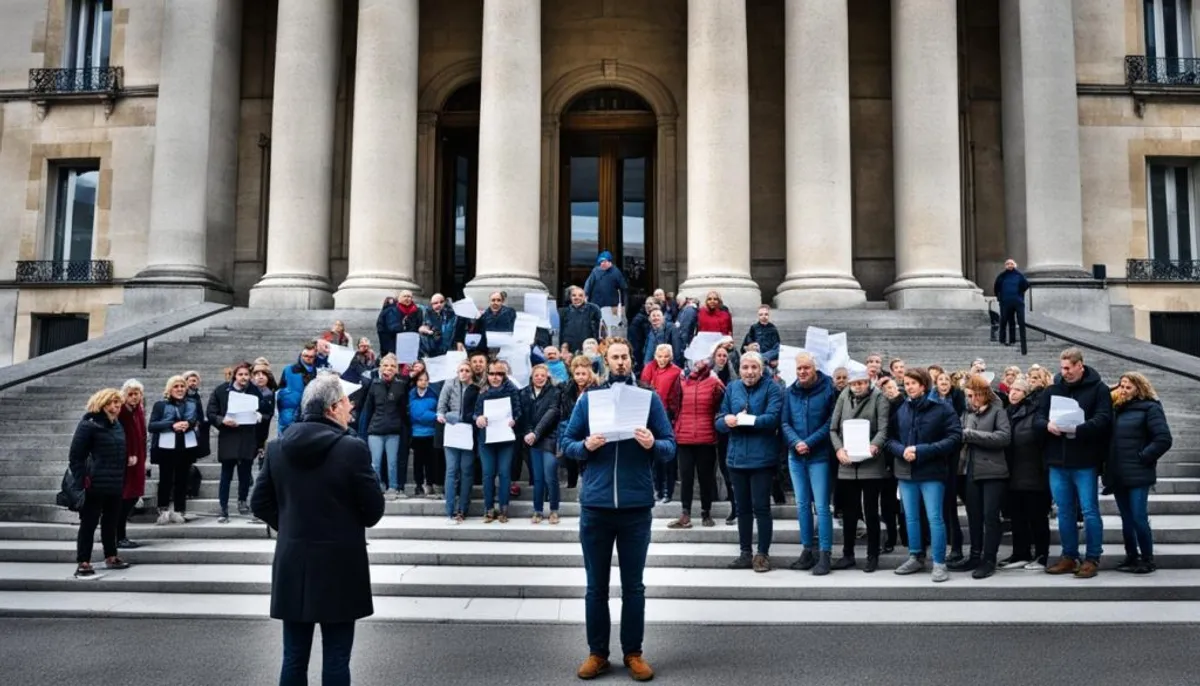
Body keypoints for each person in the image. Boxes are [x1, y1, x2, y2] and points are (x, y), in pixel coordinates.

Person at [251, 372, 385, 686]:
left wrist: (290, 526)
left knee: (293, 657)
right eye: (346, 402)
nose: (351, 407)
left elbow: (259, 503)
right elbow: (374, 510)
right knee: (337, 657)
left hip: (293, 560)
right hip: (340, 563)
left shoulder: (277, 447)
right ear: (332, 408)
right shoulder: (352, 449)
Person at [562, 338, 674, 682]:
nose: (621, 362)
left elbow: (670, 447)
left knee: (634, 587)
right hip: (596, 506)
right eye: (615, 357)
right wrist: (586, 445)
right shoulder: (590, 399)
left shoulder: (649, 398)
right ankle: (597, 653)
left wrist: (653, 443)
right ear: (605, 361)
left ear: (632, 359)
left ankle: (633, 653)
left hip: (635, 506)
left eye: (626, 356)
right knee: (595, 586)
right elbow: (567, 444)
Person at [1034, 347, 1113, 579]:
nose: (1065, 372)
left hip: (1085, 460)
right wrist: (1047, 425)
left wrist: (1078, 429)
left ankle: (1092, 558)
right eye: (1062, 368)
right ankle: (1069, 556)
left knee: (1089, 510)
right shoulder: (1052, 390)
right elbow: (1038, 418)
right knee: (1064, 511)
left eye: (1069, 368)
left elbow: (1103, 419)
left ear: (1081, 365)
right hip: (1057, 460)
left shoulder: (1098, 389)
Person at [887, 367, 962, 583]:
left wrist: (921, 450)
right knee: (910, 517)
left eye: (913, 383)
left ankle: (939, 562)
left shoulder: (941, 409)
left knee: (935, 518)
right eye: (907, 383)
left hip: (932, 472)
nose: (909, 387)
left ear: (923, 385)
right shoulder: (901, 409)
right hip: (905, 471)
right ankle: (915, 556)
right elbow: (889, 438)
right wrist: (902, 450)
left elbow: (954, 437)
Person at [716, 351, 783, 573]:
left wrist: (745, 420)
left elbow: (772, 418)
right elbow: (719, 419)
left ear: (761, 369)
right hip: (736, 459)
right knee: (742, 509)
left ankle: (762, 554)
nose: (750, 372)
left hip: (761, 459)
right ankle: (745, 552)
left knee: (761, 508)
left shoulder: (772, 388)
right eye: (745, 367)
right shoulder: (733, 388)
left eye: (754, 367)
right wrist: (726, 420)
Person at [1107, 372, 1173, 575]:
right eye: (1122, 386)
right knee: (1126, 518)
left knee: (1138, 516)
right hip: (1118, 472)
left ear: (1139, 388)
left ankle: (1147, 558)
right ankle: (1131, 556)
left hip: (1138, 472)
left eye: (1128, 387)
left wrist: (1143, 457)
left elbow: (1163, 438)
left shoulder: (1151, 408)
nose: (1124, 390)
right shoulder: (1116, 409)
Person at [781, 351, 838, 575]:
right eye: (799, 369)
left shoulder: (828, 389)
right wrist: (796, 443)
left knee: (822, 507)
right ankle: (807, 551)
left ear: (815, 369)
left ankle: (825, 554)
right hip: (796, 456)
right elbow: (784, 422)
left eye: (807, 368)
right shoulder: (789, 392)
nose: (803, 372)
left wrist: (809, 442)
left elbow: (830, 421)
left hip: (819, 456)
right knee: (802, 505)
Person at [829, 364, 890, 573]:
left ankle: (873, 555)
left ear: (868, 382)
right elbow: (833, 428)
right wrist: (838, 450)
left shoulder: (879, 397)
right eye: (854, 383)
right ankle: (848, 554)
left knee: (871, 511)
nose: (858, 386)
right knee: (849, 511)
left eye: (862, 382)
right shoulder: (843, 396)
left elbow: (884, 428)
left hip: (871, 462)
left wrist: (875, 445)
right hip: (847, 462)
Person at [952, 375, 1012, 579]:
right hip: (971, 471)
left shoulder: (998, 410)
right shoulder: (967, 413)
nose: (969, 399)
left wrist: (970, 435)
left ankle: (989, 559)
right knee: (974, 516)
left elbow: (1004, 438)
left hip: (994, 472)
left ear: (981, 393)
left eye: (971, 395)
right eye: (967, 396)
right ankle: (975, 556)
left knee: (990, 517)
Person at [70, 388, 132, 577]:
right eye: (113, 402)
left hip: (114, 482)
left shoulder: (117, 425)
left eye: (119, 403)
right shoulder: (89, 424)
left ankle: (111, 555)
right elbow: (76, 456)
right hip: (94, 483)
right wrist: (82, 479)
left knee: (111, 522)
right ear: (103, 403)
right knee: (89, 523)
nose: (117, 406)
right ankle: (83, 561)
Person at [669, 359, 725, 529]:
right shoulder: (681, 380)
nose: (697, 365)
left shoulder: (714, 382)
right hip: (684, 437)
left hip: (705, 437)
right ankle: (685, 514)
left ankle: (706, 513)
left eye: (701, 361)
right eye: (695, 362)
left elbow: (723, 400)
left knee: (705, 478)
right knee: (686, 477)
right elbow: (673, 403)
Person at [207, 362, 264, 523]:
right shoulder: (221, 390)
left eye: (246, 374)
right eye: (240, 375)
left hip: (247, 436)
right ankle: (223, 507)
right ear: (234, 376)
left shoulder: (254, 391)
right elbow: (211, 412)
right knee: (226, 474)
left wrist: (259, 415)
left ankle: (242, 500)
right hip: (229, 436)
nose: (244, 378)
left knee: (245, 473)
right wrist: (222, 420)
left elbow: (263, 410)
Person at [1004, 379, 1050, 570]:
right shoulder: (1007, 412)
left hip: (1034, 472)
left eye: (1018, 390)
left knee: (1037, 516)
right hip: (1013, 472)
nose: (1012, 393)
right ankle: (1020, 553)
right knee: (1017, 517)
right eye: (1011, 389)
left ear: (1027, 393)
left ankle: (1041, 555)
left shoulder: (1036, 412)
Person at [473, 359, 522, 523]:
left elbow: (518, 412)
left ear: (505, 375)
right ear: (487, 374)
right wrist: (478, 418)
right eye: (492, 373)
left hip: (505, 438)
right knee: (487, 473)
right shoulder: (483, 391)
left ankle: (503, 509)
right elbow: (475, 413)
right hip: (486, 438)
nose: (495, 377)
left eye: (499, 374)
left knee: (504, 473)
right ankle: (488, 508)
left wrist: (514, 419)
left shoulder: (512, 391)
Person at [149, 375, 199, 525]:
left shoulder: (192, 403)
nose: (179, 389)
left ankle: (179, 509)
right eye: (176, 386)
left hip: (185, 445)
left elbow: (196, 420)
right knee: (166, 479)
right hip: (166, 446)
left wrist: (188, 424)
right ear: (169, 389)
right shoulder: (160, 405)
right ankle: (163, 509)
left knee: (183, 479)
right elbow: (152, 426)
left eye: (182, 386)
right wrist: (172, 425)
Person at [359, 354, 409, 499]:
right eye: (386, 365)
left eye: (393, 366)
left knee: (392, 462)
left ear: (397, 369)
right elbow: (368, 409)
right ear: (380, 367)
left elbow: (403, 409)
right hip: (375, 430)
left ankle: (393, 487)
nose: (389, 368)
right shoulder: (374, 384)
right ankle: (377, 487)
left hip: (394, 430)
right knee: (375, 463)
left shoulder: (400, 385)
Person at [438, 361, 480, 522]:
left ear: (471, 373)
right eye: (461, 370)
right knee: (451, 470)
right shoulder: (450, 384)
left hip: (468, 430)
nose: (463, 373)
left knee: (466, 471)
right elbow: (441, 404)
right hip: (452, 429)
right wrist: (442, 415)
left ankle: (463, 508)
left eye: (466, 370)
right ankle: (449, 508)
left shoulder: (475, 389)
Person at [521, 364, 562, 524]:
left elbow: (552, 413)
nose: (539, 378)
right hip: (532, 439)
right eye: (536, 375)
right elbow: (523, 416)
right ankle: (537, 510)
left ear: (547, 377)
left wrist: (536, 433)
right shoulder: (524, 393)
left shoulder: (554, 392)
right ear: (532, 376)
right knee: (537, 477)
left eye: (542, 375)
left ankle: (554, 510)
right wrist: (528, 432)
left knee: (550, 475)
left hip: (549, 438)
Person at [558, 355, 597, 490]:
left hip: (590, 428)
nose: (580, 377)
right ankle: (571, 484)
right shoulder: (567, 389)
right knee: (570, 456)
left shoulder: (596, 388)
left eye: (583, 374)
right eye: (577, 374)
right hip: (572, 426)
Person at [116, 379, 147, 549]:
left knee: (133, 496)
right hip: (127, 460)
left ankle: (120, 534)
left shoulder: (138, 410)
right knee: (125, 497)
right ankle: (118, 535)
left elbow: (142, 435)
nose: (134, 397)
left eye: (137, 394)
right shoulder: (122, 411)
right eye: (131, 394)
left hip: (138, 460)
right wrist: (128, 454)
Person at [409, 370, 440, 500]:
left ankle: (430, 483)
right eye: (421, 380)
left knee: (430, 461)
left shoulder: (433, 393)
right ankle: (418, 484)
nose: (423, 382)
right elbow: (416, 413)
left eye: (426, 380)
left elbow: (438, 410)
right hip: (416, 434)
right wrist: (432, 416)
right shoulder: (411, 394)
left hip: (431, 433)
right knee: (418, 461)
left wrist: (429, 415)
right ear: (416, 381)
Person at [277, 343, 319, 436]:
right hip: (291, 412)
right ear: (301, 354)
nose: (308, 358)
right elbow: (280, 389)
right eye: (305, 356)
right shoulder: (289, 370)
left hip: (310, 412)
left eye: (311, 356)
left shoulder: (318, 371)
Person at [994, 258, 1031, 355]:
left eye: (1011, 264)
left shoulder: (1019, 275)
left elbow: (1026, 285)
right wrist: (1000, 297)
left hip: (1017, 301)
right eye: (1007, 264)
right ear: (1005, 266)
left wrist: (1019, 294)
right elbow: (996, 287)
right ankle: (1002, 340)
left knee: (1017, 322)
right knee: (1004, 320)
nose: (1009, 265)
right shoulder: (1002, 276)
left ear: (1014, 265)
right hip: (1005, 302)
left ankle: (1013, 340)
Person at [583, 250, 629, 322]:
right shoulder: (596, 271)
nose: (602, 264)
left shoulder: (616, 272)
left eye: (604, 262)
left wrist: (624, 306)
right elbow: (588, 284)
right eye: (600, 262)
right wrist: (585, 296)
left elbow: (624, 289)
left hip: (611, 305)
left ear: (610, 262)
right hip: (596, 304)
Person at [559, 285, 603, 355]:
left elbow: (600, 328)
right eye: (574, 295)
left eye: (580, 295)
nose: (577, 298)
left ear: (585, 297)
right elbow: (562, 330)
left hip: (589, 347)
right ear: (570, 297)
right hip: (570, 348)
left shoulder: (593, 309)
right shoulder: (564, 312)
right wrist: (563, 346)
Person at [182, 371, 211, 463]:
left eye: (195, 381)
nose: (193, 383)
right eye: (191, 381)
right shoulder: (183, 395)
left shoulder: (196, 395)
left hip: (195, 426)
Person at [419, 293, 458, 357]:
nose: (439, 304)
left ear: (445, 302)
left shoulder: (453, 315)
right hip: (431, 351)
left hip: (449, 351)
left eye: (441, 302)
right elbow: (423, 327)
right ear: (431, 304)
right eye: (435, 303)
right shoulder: (426, 314)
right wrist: (423, 330)